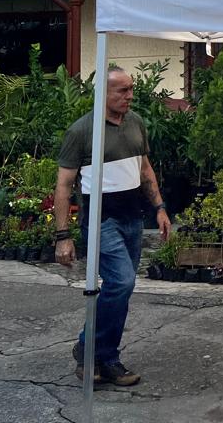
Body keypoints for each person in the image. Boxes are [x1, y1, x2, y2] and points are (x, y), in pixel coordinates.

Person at [54, 65, 171, 386]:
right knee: (120, 283)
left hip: (133, 218)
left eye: (131, 89)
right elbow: (63, 185)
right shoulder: (82, 131)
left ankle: (97, 354)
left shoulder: (136, 123)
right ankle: (96, 351)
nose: (130, 96)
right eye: (122, 90)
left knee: (124, 286)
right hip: (101, 220)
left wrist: (159, 207)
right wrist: (62, 236)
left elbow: (145, 169)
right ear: (102, 94)